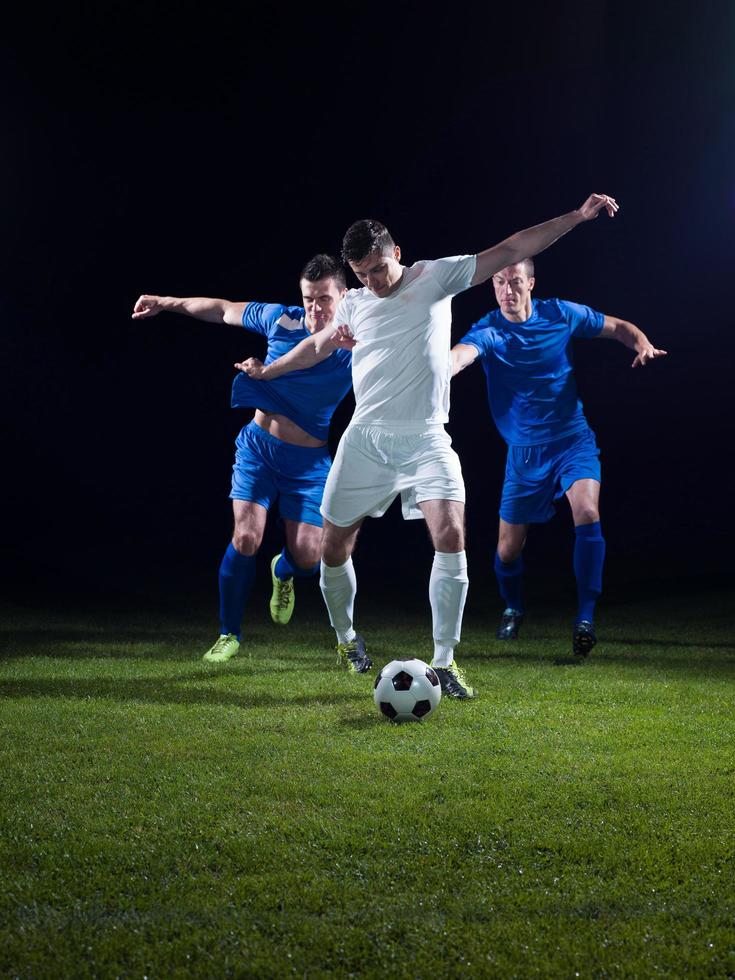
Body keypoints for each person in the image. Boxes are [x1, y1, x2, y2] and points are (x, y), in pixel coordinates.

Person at [239, 194, 620, 696]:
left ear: (397, 251)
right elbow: (314, 346)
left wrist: (576, 217)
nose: (372, 282)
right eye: (361, 274)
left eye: (377, 269)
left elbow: (509, 250)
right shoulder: (354, 303)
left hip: (425, 438)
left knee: (451, 533)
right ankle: (347, 639)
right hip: (366, 440)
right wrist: (269, 370)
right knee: (333, 547)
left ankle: (445, 661)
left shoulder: (435, 278)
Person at [131, 254, 353, 662]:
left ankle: (282, 571)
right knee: (246, 537)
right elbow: (221, 310)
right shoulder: (279, 319)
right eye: (309, 299)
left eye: (325, 298)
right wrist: (166, 301)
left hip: (308, 463)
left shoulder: (354, 344)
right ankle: (228, 633)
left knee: (308, 556)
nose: (316, 308)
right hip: (258, 450)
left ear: (343, 295)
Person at [451, 258, 666, 656]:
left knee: (586, 512)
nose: (506, 291)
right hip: (524, 456)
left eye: (515, 282)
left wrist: (642, 343)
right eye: (499, 282)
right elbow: (461, 355)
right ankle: (514, 607)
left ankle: (585, 617)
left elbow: (618, 327)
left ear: (531, 283)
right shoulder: (490, 329)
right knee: (506, 550)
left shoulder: (560, 314)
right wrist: (438, 369)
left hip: (572, 440)